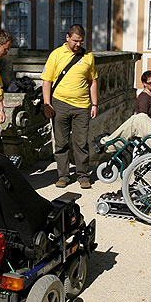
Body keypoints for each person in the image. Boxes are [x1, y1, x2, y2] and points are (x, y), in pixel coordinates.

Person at [41, 24, 99, 189]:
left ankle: (82, 175)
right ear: (67, 37)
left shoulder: (88, 56)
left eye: (81, 41)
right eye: (75, 41)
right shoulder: (56, 55)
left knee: (81, 142)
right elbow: (47, 81)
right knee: (61, 143)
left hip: (82, 106)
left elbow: (92, 81)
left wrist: (94, 103)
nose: (78, 44)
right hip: (60, 104)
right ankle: (63, 175)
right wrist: (47, 104)